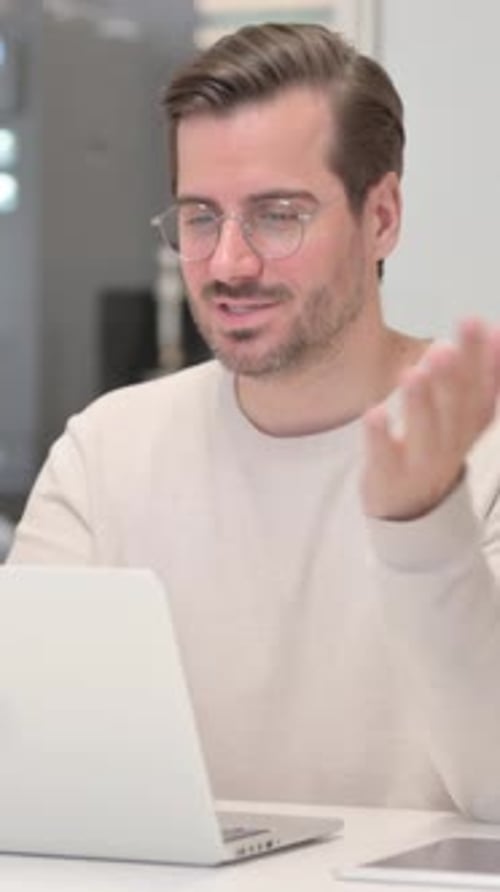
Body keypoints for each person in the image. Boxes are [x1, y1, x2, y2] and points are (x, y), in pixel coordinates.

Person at [8, 23, 500, 819]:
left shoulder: (483, 444)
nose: (229, 263)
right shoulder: (107, 452)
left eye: (277, 216)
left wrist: (422, 527)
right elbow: (22, 762)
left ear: (381, 218)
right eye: (201, 218)